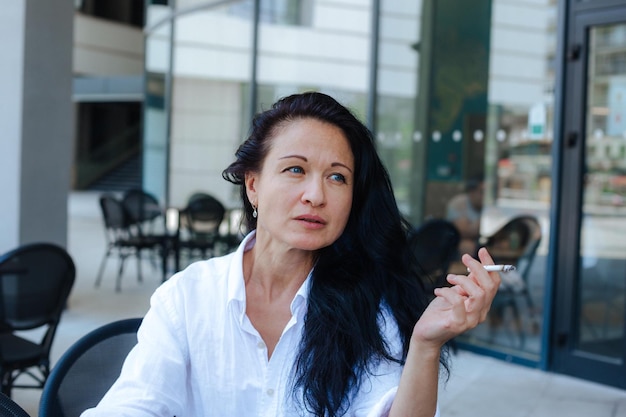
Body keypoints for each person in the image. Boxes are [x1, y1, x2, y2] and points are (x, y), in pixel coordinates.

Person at [81, 92, 500, 417]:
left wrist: (425, 345)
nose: (316, 195)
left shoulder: (373, 306)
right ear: (253, 185)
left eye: (337, 177)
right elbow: (132, 404)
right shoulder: (187, 298)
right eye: (295, 169)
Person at [446, 175, 484, 259]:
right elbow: (464, 232)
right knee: (467, 246)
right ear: (471, 192)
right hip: (456, 244)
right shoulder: (458, 203)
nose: (484, 197)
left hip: (484, 243)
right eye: (482, 192)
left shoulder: (488, 205)